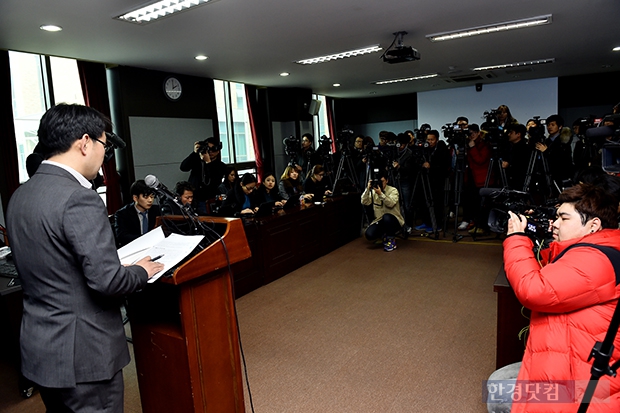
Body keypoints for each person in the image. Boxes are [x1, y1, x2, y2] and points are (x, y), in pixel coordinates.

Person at [6, 103, 163, 413]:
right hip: (84, 354)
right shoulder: (80, 197)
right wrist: (141, 271)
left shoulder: (21, 194)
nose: (105, 156)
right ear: (85, 142)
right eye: (104, 145)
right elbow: (108, 282)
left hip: (42, 349)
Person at [500, 183, 620, 412]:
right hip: (571, 359)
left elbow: (534, 290)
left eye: (563, 218)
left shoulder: (595, 259)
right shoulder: (596, 248)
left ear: (594, 225)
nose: (554, 224)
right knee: (500, 385)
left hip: (588, 384)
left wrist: (516, 238)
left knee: (498, 392)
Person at [414, 130, 451, 232]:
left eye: (432, 140)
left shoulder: (442, 149)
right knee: (424, 201)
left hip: (438, 180)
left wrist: (431, 166)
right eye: (428, 139)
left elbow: (445, 165)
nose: (429, 142)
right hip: (425, 179)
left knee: (436, 203)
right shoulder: (425, 149)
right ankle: (427, 222)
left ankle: (437, 224)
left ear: (437, 140)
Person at [179, 137, 227, 214]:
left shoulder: (221, 166)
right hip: (193, 198)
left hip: (207, 200)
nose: (210, 151)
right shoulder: (197, 161)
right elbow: (183, 167)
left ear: (218, 151)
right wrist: (195, 153)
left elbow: (214, 182)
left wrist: (208, 162)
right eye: (208, 148)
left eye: (213, 149)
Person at [361, 169, 405, 252]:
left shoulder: (393, 190)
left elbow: (390, 203)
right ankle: (384, 235)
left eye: (382, 181)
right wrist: (368, 189)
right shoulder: (374, 191)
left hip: (394, 221)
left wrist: (380, 194)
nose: (380, 184)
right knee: (369, 234)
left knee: (387, 217)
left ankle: (391, 240)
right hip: (380, 220)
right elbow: (364, 202)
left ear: (387, 180)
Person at [459, 124, 491, 231]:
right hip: (470, 177)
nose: (470, 135)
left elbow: (480, 160)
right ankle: (469, 220)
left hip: (481, 178)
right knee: (469, 200)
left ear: (478, 133)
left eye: (472, 133)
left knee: (480, 202)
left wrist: (472, 147)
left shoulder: (484, 144)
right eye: (469, 133)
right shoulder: (467, 143)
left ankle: (480, 225)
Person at [114, 179, 161, 247]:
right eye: (145, 197)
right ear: (135, 198)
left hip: (154, 246)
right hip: (133, 247)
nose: (150, 200)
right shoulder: (122, 214)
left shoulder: (157, 210)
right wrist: (146, 239)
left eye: (152, 196)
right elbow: (122, 236)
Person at [534, 114, 574, 190]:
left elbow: (562, 160)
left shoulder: (564, 141)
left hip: (560, 177)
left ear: (560, 126)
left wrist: (546, 151)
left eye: (553, 125)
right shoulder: (546, 141)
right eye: (548, 125)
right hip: (546, 178)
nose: (549, 127)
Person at [502, 123, 531, 192]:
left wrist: (509, 163)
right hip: (510, 181)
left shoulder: (525, 149)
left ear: (518, 134)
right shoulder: (509, 147)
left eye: (511, 133)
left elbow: (521, 165)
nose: (509, 135)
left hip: (520, 181)